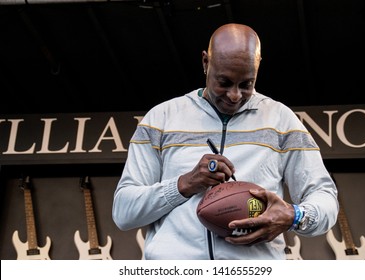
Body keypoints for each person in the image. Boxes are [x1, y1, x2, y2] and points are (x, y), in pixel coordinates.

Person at [112, 23, 339, 259]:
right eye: (224, 82)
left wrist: (295, 215)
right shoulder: (160, 119)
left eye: (246, 84)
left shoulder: (281, 120)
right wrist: (184, 184)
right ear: (205, 62)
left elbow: (325, 197)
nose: (234, 95)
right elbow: (124, 212)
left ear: (258, 66)